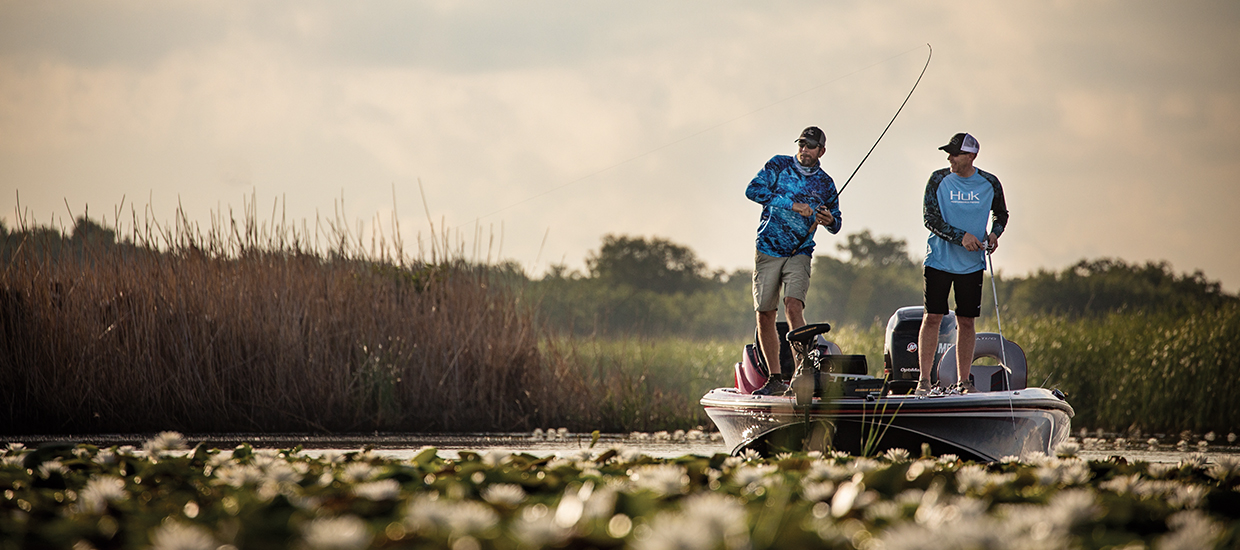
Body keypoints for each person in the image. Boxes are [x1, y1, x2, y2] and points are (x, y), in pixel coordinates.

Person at [745, 126, 842, 396]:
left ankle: (802, 375)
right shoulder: (778, 165)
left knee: (793, 306)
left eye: (810, 146)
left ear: (821, 151)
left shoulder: (826, 183)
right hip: (768, 250)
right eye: (801, 144)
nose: (804, 150)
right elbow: (752, 191)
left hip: (800, 252)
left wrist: (829, 220)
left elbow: (837, 224)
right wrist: (792, 204)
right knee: (765, 313)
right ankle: (775, 378)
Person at [916, 132, 1008, 396]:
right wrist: (961, 237)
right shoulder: (938, 179)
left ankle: (963, 381)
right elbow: (929, 218)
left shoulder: (990, 182)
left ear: (971, 156)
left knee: (966, 321)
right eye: (949, 153)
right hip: (938, 261)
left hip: (971, 265)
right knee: (933, 317)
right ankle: (924, 380)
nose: (949, 158)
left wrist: (994, 234)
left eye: (955, 154)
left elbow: (1001, 214)